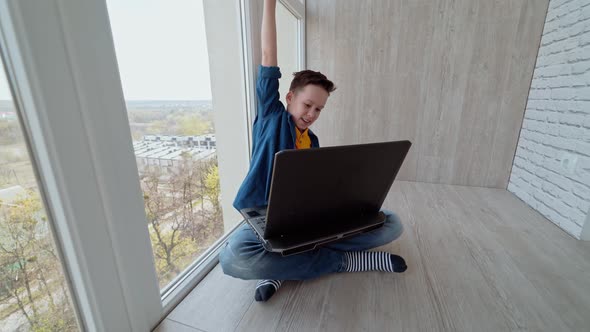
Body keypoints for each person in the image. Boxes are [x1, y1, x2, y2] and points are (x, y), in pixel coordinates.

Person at [218, 0, 407, 302]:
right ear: (290, 97)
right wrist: (268, 4)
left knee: (391, 223)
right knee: (233, 258)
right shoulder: (271, 116)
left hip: (306, 221)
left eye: (319, 109)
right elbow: (268, 55)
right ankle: (345, 262)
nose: (312, 114)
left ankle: (282, 267)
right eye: (307, 105)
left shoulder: (314, 143)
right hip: (266, 221)